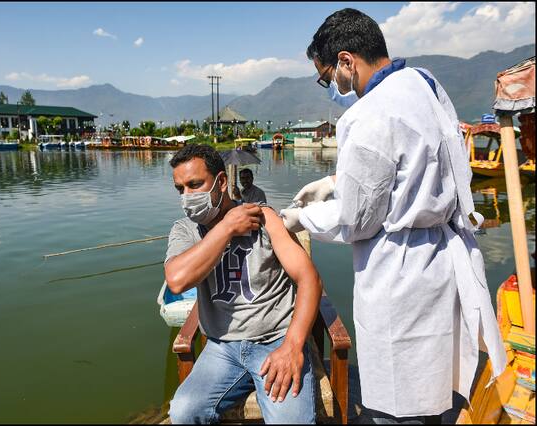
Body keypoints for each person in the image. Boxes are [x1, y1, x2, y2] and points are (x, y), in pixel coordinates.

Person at [280, 8, 506, 424]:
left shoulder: (366, 114)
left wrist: (302, 218)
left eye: (327, 77)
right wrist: (336, 180)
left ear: (346, 61)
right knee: (439, 389)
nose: (332, 86)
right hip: (442, 259)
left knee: (398, 403)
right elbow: (422, 163)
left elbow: (356, 220)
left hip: (400, 274)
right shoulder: (423, 83)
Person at [165, 144, 322, 424]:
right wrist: (227, 228)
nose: (187, 196)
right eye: (180, 189)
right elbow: (177, 281)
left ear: (221, 182)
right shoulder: (185, 229)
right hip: (222, 348)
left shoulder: (264, 218)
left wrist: (293, 345)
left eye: (195, 185)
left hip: (275, 340)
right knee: (184, 412)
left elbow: (309, 278)